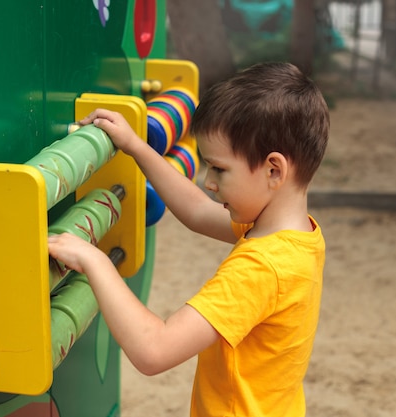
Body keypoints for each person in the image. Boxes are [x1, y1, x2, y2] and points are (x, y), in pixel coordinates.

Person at [48, 61, 330, 417]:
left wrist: (94, 260)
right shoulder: (293, 236)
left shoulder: (261, 268)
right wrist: (136, 146)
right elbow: (197, 210)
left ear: (274, 170)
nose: (209, 182)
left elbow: (154, 350)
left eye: (219, 169)